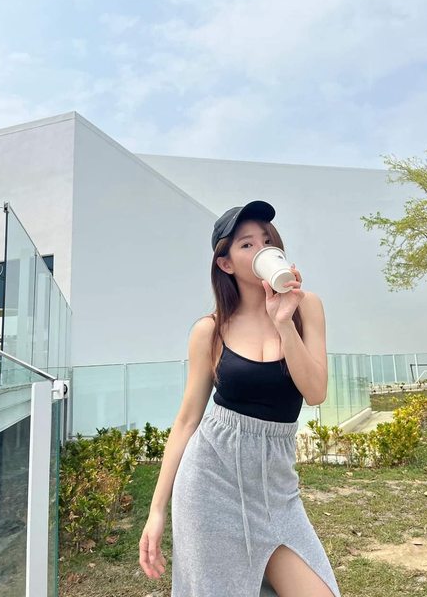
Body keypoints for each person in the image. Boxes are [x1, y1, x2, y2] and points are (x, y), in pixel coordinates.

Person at [139, 200, 342, 597]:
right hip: (210, 484)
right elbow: (187, 421)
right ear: (226, 263)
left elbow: (315, 392)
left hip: (277, 491)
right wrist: (156, 510)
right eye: (247, 244)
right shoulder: (210, 330)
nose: (262, 248)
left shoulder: (306, 308)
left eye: (267, 240)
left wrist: (284, 323)